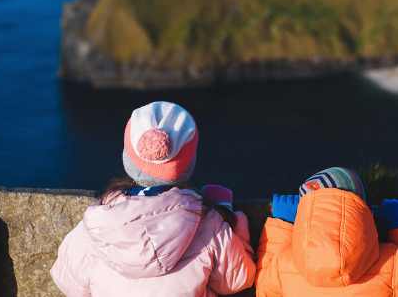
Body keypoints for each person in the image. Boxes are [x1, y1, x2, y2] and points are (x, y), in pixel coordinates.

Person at [50, 101, 256, 297]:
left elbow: (67, 282)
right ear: (188, 164)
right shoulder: (207, 224)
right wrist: (225, 214)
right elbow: (238, 280)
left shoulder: (93, 228)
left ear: (128, 157)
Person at [255, 167, 398, 297]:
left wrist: (282, 223)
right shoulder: (392, 265)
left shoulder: (283, 265)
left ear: (304, 218)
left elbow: (263, 285)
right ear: (367, 217)